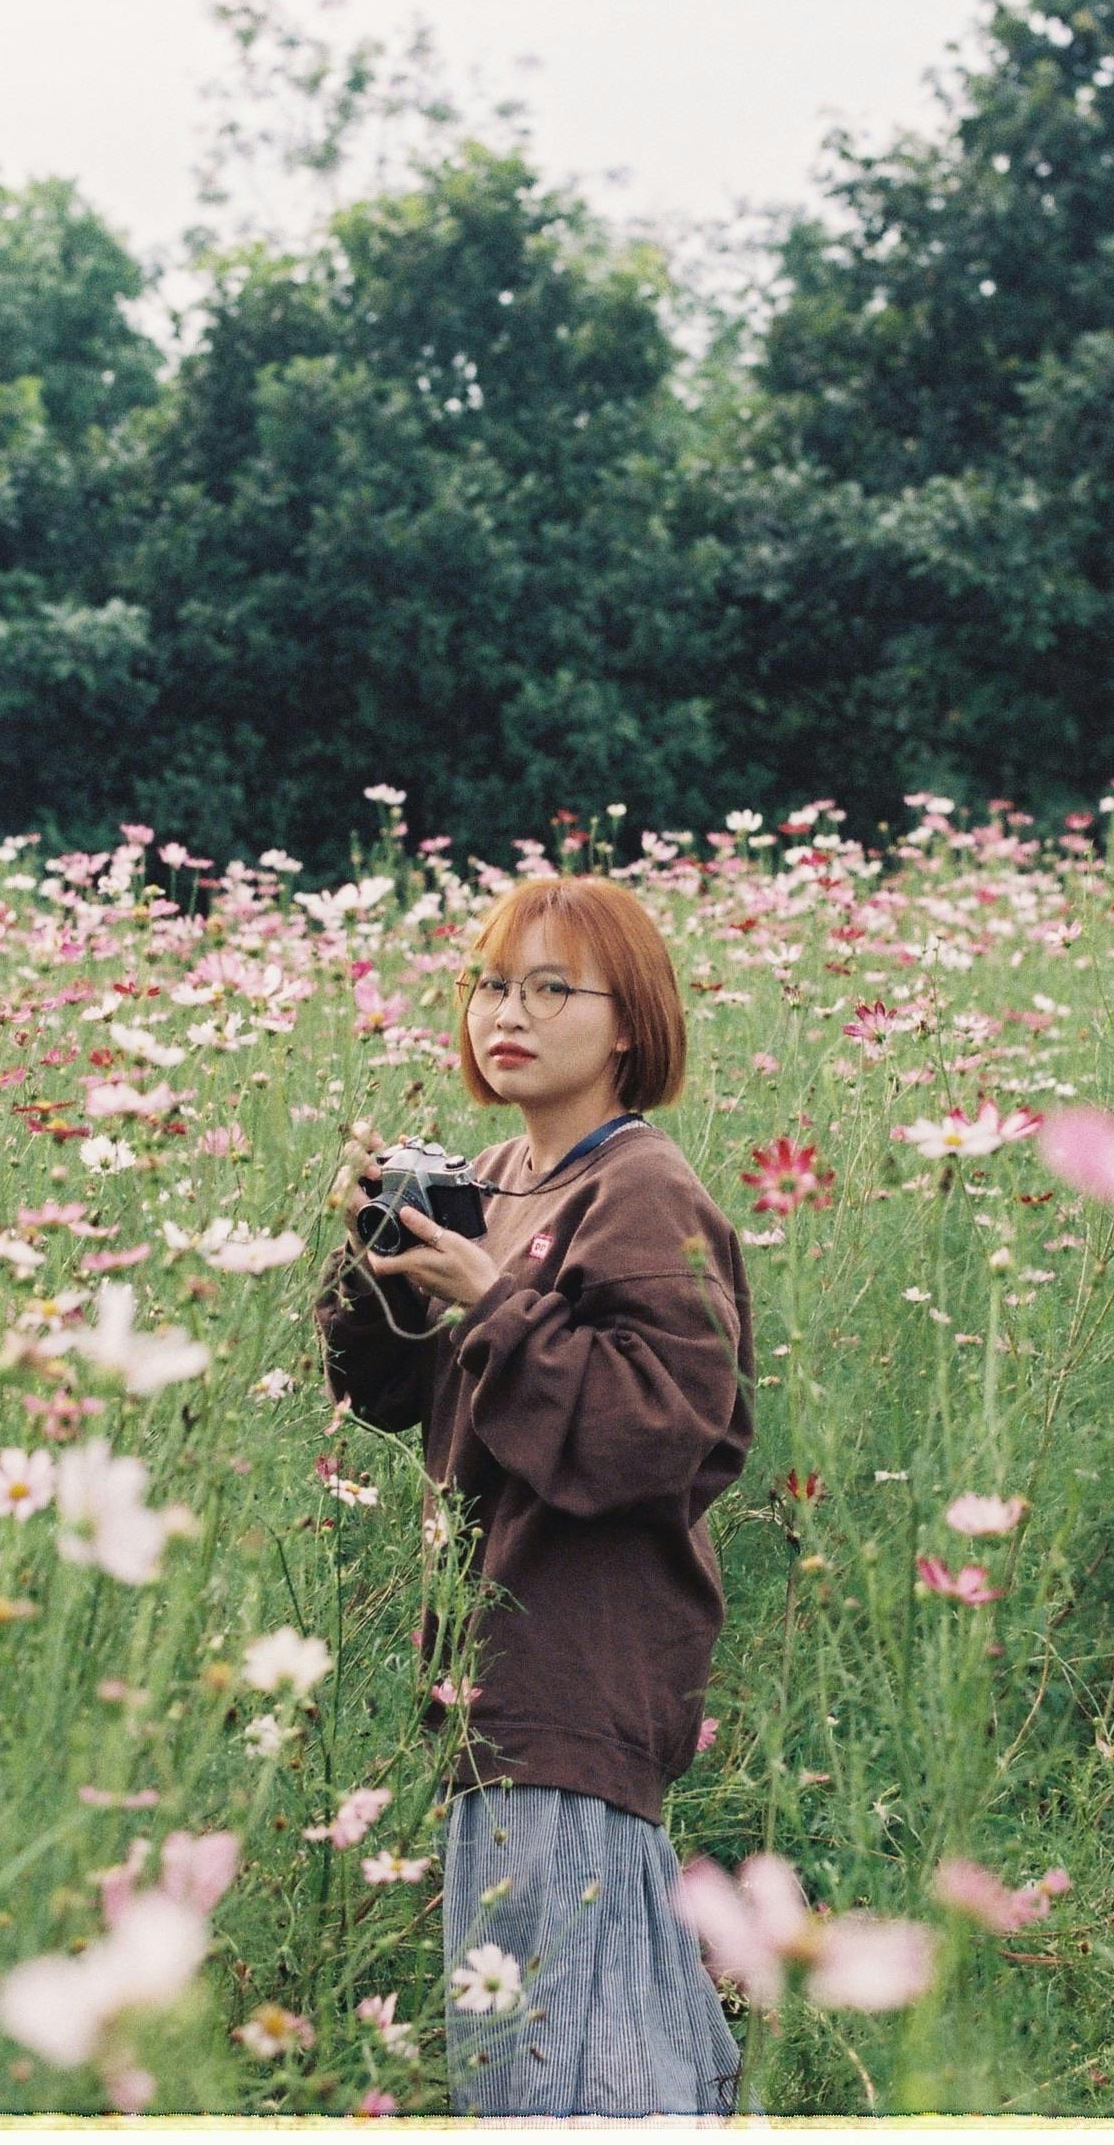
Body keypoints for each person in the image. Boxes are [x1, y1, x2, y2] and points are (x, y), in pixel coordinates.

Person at [314, 873, 757, 2119]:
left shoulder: (645, 1191)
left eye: (553, 988)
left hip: (577, 1673)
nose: (508, 1012)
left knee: (560, 2075)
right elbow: (389, 1393)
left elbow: (661, 1433)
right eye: (491, 985)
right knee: (578, 2052)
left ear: (630, 1024)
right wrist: (383, 1252)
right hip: (491, 1677)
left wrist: (493, 1295)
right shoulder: (501, 1174)